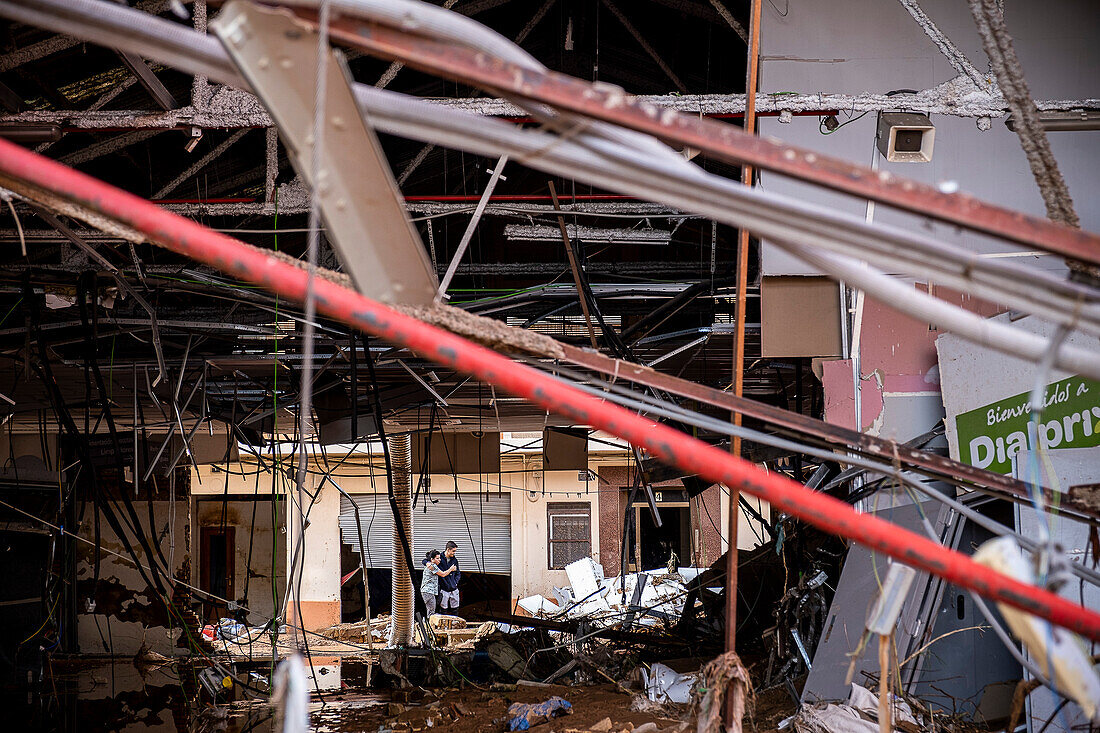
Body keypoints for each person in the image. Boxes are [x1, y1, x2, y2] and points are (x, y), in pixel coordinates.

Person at [420, 549, 456, 617]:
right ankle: (429, 626)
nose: (440, 560)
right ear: (432, 559)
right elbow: (443, 574)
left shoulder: (431, 565)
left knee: (431, 610)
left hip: (429, 591)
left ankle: (428, 625)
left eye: (439, 558)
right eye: (437, 558)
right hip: (428, 591)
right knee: (431, 611)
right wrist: (451, 569)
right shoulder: (432, 566)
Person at [438, 541, 461, 611]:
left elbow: (458, 573)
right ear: (448, 550)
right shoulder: (439, 558)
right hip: (444, 588)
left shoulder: (454, 560)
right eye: (453, 551)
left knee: (455, 608)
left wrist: (455, 582)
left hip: (453, 587)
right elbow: (426, 560)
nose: (454, 553)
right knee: (443, 608)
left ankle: (455, 621)